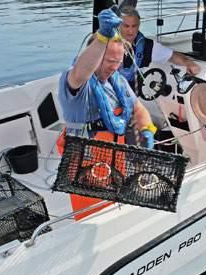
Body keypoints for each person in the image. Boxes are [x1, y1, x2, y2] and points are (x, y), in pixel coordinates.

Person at [57, 8, 157, 220]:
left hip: (115, 163)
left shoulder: (116, 81)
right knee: (94, 219)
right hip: (86, 169)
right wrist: (103, 37)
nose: (115, 67)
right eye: (110, 62)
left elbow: (139, 109)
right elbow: (81, 72)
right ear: (95, 57)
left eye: (118, 62)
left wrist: (147, 129)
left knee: (118, 212)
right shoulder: (76, 85)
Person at [119, 5, 201, 93]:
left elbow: (172, 56)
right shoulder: (105, 44)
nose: (130, 31)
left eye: (134, 26)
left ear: (139, 25)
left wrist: (187, 62)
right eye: (126, 26)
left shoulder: (146, 46)